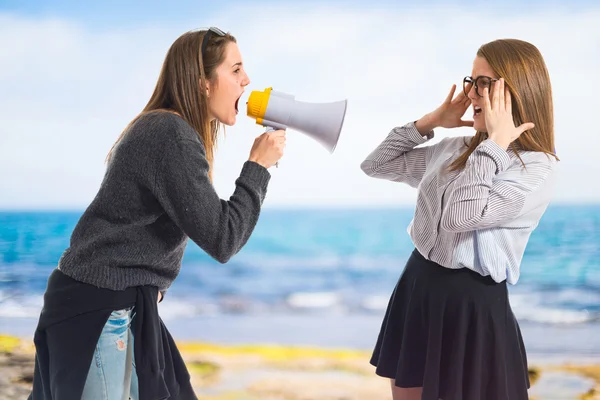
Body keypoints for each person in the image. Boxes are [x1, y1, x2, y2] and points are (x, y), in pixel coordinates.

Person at [28, 27, 285, 400]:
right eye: (236, 69)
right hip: (98, 311)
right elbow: (223, 239)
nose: (247, 80)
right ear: (203, 83)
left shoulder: (169, 130)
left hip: (117, 303)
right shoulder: (169, 132)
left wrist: (149, 283)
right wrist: (257, 167)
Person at [360, 38, 558, 400]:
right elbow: (375, 165)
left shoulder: (536, 170)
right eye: (471, 81)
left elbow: (460, 217)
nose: (472, 94)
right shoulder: (454, 149)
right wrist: (431, 121)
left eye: (485, 83)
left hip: (472, 307)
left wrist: (493, 146)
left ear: (518, 92)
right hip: (417, 287)